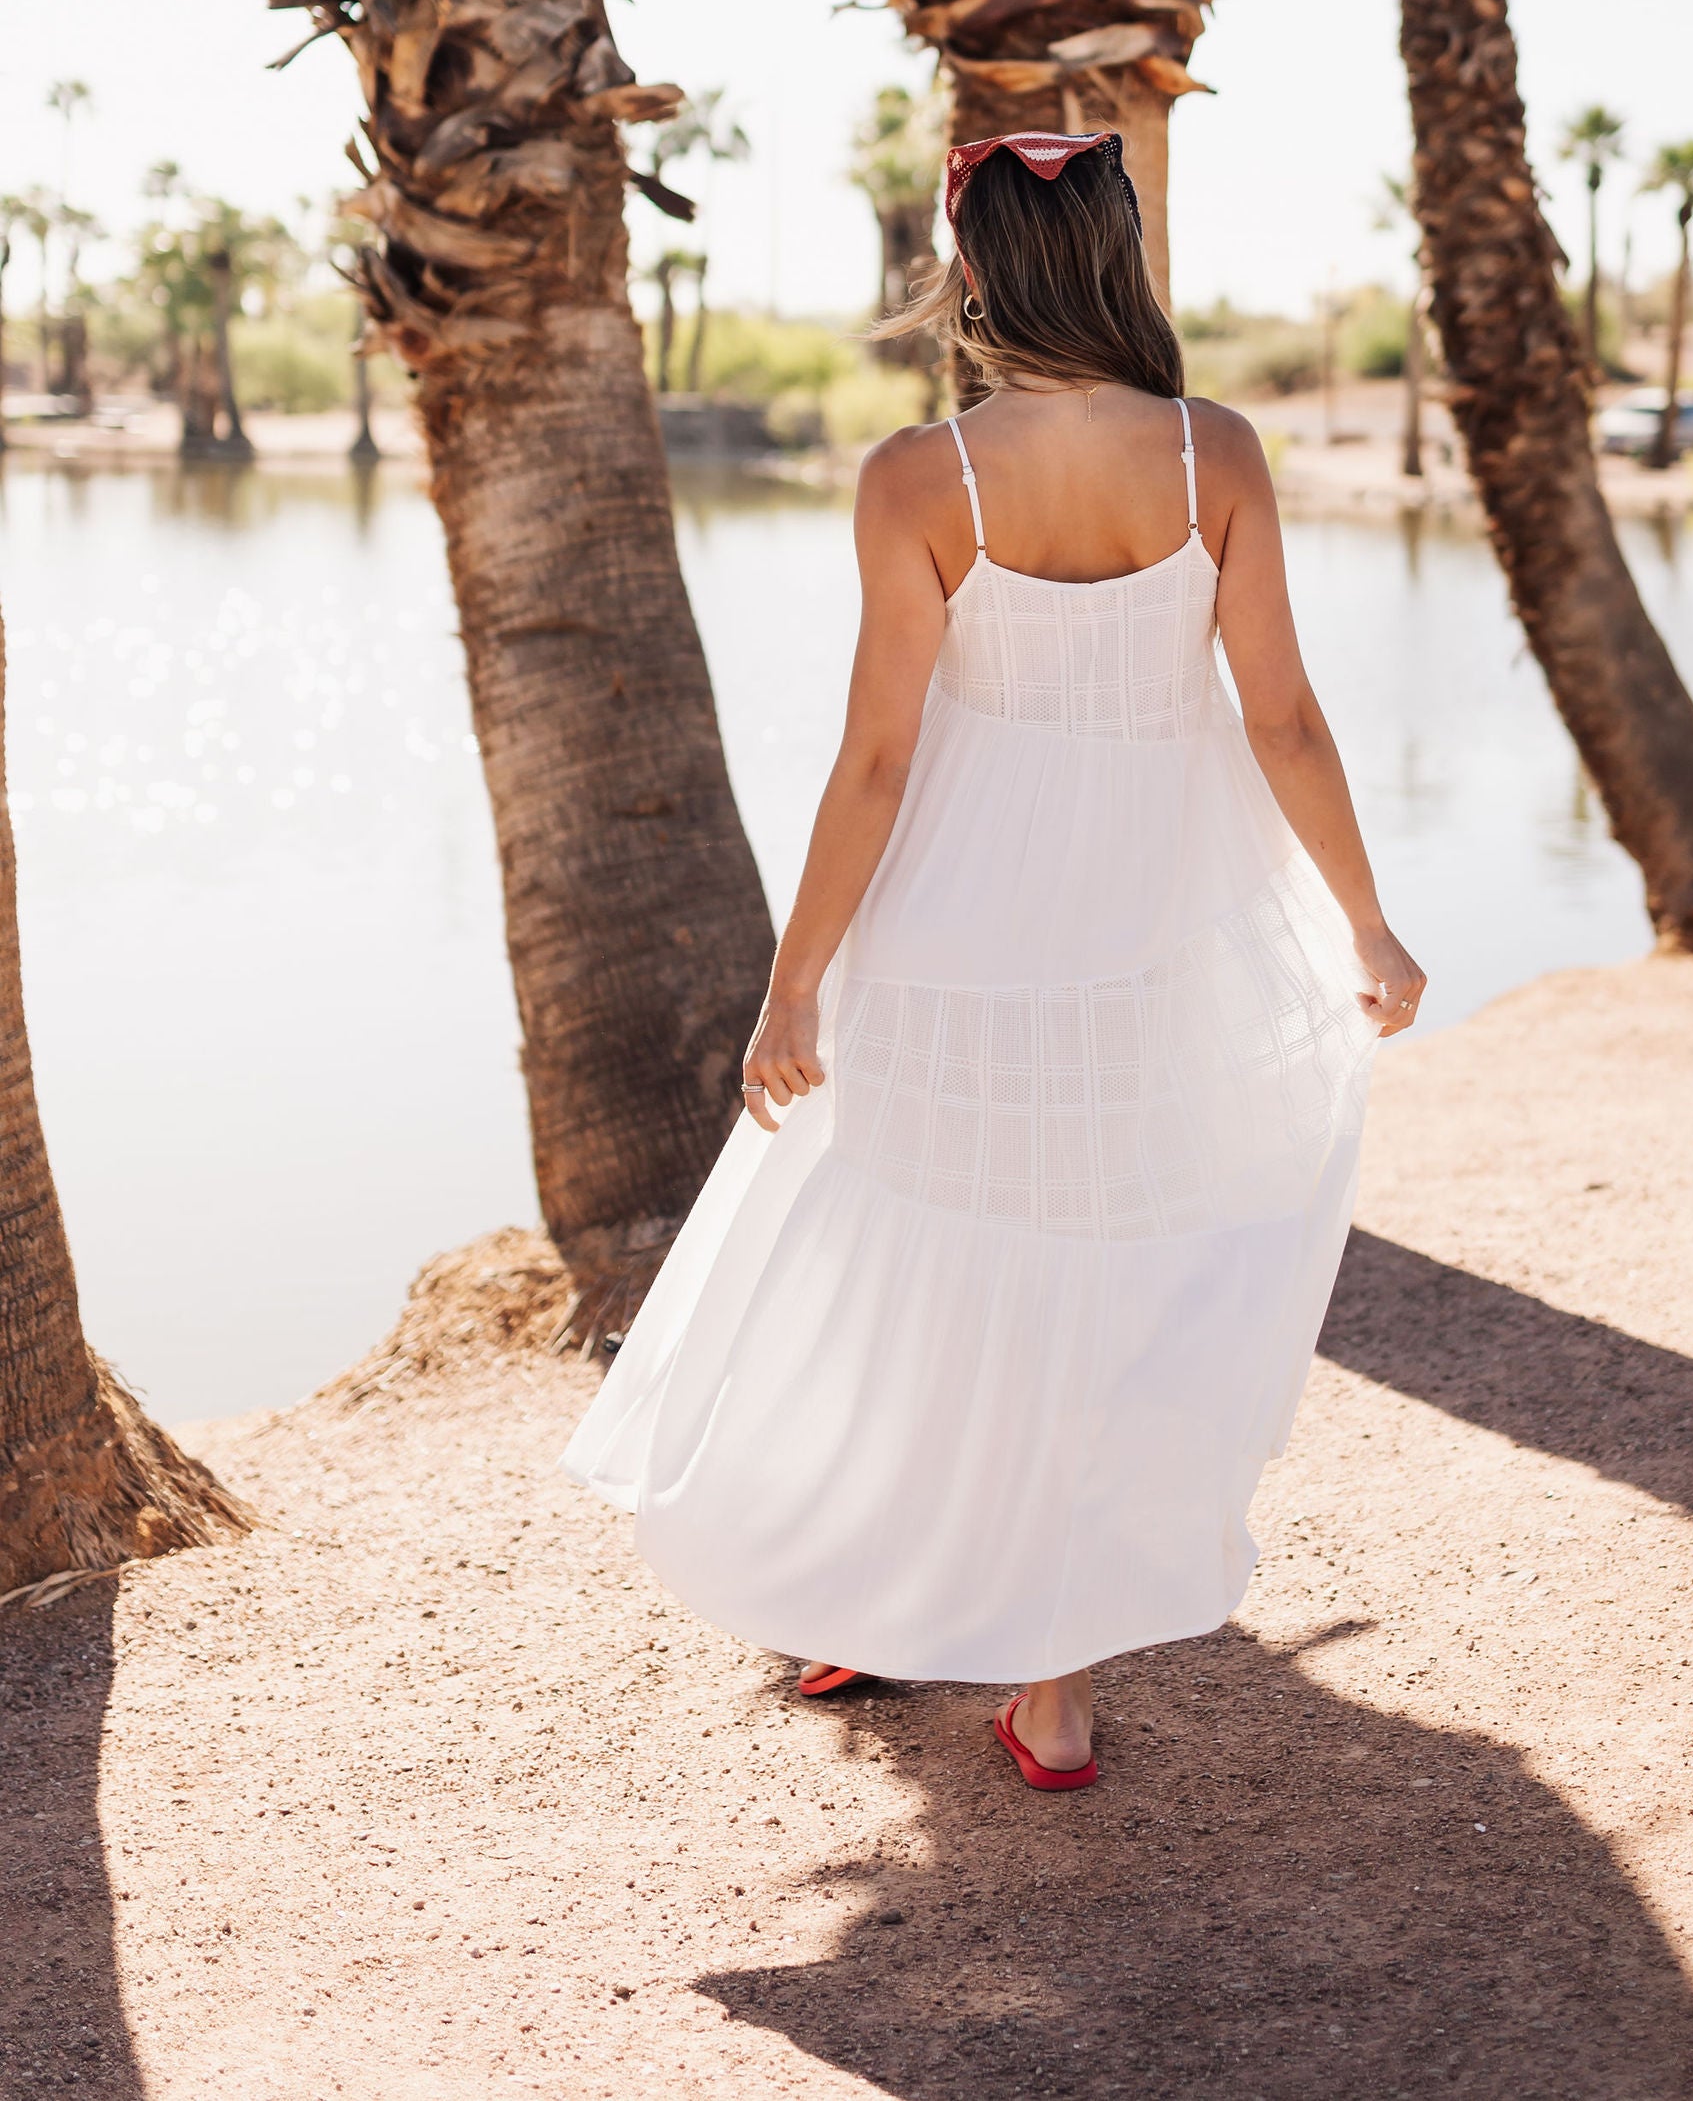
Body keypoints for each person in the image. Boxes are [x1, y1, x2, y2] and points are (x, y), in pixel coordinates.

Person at [563, 129, 1425, 1792]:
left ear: (970, 270)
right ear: (1117, 257)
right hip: (1158, 936)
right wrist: (1364, 918)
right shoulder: (1215, 454)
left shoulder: (920, 474)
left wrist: (793, 980)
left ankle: (873, 1592)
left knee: (918, 1262)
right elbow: (1286, 715)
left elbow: (876, 762)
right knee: (1096, 1277)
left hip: (953, 933)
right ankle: (1052, 1686)